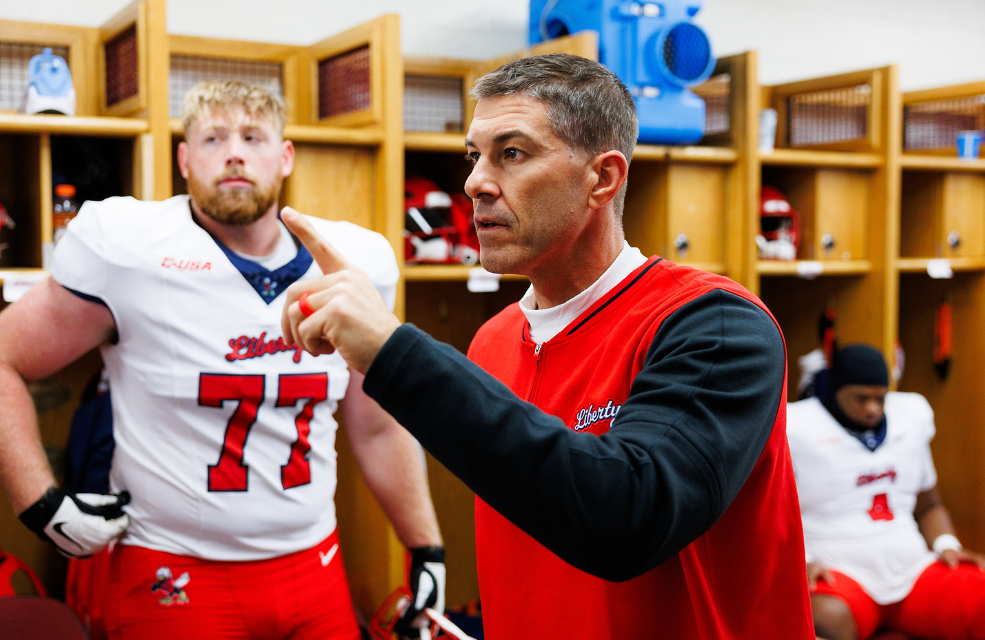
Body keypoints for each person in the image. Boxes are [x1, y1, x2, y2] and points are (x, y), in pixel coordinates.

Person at [280, 53, 815, 639]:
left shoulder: (714, 325)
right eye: (474, 155)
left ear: (603, 179)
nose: (475, 183)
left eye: (512, 153)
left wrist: (393, 352)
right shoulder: (494, 339)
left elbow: (627, 516)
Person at [0, 80, 445, 640]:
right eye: (213, 137)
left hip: (315, 566)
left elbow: (377, 424)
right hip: (173, 571)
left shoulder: (352, 261)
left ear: (285, 157)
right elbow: (5, 358)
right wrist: (38, 501)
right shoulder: (132, 250)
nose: (234, 151)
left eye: (253, 136)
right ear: (184, 159)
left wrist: (425, 545)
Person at [787, 343, 985, 640]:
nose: (873, 408)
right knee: (825, 618)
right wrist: (800, 561)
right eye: (861, 398)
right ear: (835, 390)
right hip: (839, 570)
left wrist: (947, 544)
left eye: (880, 398)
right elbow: (775, 515)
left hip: (913, 568)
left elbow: (929, 504)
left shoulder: (910, 417)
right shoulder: (797, 427)